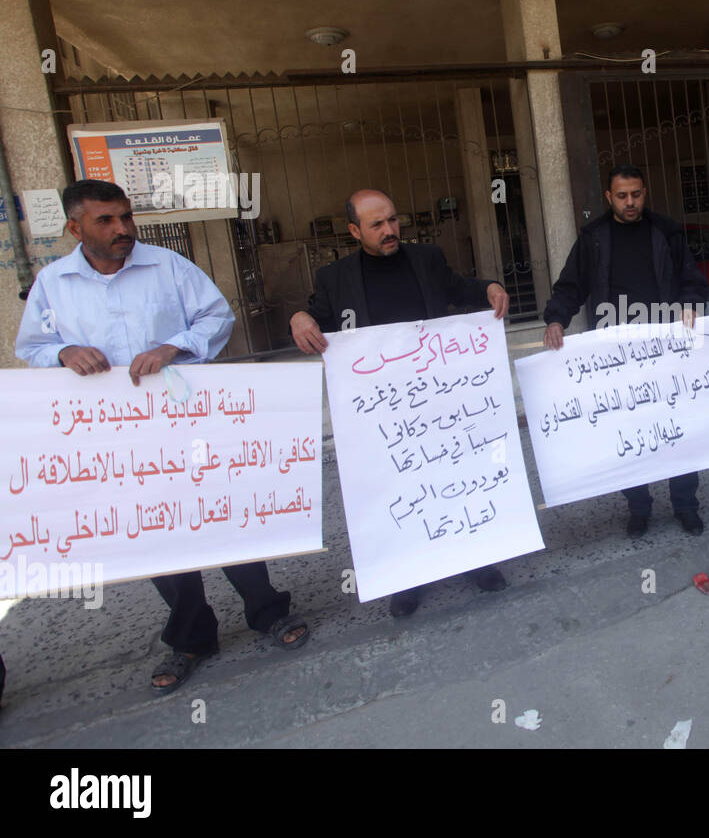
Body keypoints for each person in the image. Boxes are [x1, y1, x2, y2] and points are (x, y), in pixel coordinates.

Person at [14, 179, 311, 695]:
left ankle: (267, 612)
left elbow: (216, 318)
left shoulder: (167, 265)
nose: (122, 229)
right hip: (114, 440)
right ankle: (192, 637)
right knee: (154, 530)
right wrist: (63, 354)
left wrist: (174, 347)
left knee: (222, 514)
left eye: (126, 217)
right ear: (74, 227)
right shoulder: (53, 284)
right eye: (106, 221)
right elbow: (33, 346)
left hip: (184, 419)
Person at [290, 188, 511, 618]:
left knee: (455, 476)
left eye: (393, 220)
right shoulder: (335, 278)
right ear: (355, 230)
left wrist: (489, 287)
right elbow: (316, 317)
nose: (390, 230)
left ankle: (474, 558)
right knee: (400, 488)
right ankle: (409, 575)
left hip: (438, 398)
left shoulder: (426, 258)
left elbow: (456, 288)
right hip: (384, 410)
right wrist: (299, 317)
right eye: (377, 225)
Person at [541, 164, 708, 538]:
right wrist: (556, 319)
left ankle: (686, 506)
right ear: (609, 197)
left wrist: (690, 304)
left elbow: (692, 279)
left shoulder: (667, 232)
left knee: (678, 428)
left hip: (666, 349)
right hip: (616, 354)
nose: (630, 202)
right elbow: (571, 285)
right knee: (628, 432)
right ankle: (639, 507)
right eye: (622, 196)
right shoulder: (593, 238)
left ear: (644, 193)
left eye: (636, 195)